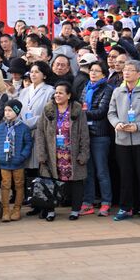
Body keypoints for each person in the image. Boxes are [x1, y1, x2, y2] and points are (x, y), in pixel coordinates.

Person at [109, 60, 140, 221]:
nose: (126, 72)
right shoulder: (118, 91)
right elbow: (111, 113)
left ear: (139, 73)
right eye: (125, 70)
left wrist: (138, 127)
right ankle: (125, 207)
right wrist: (117, 124)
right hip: (122, 140)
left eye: (130, 70)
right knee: (125, 175)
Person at [36, 82, 90, 221]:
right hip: (53, 154)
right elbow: (40, 133)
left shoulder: (77, 110)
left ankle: (75, 210)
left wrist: (83, 154)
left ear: (69, 95)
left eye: (60, 93)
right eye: (56, 93)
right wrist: (41, 154)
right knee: (50, 181)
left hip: (72, 153)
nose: (57, 95)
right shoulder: (48, 110)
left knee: (76, 182)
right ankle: (50, 210)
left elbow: (84, 134)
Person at [79, 61, 114, 216]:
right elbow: (80, 106)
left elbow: (101, 112)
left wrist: (83, 113)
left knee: (102, 171)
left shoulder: (107, 89)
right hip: (85, 134)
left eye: (97, 71)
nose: (92, 73)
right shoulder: (86, 87)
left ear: (104, 74)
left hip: (100, 134)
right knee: (88, 171)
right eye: (91, 70)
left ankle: (106, 202)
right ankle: (88, 202)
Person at [0, 99, 33, 222]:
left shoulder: (24, 128)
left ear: (17, 111)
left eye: (10, 110)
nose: (7, 113)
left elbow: (28, 144)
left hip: (18, 162)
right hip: (4, 162)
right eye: (5, 110)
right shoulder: (0, 127)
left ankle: (17, 209)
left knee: (19, 185)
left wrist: (22, 156)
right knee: (5, 185)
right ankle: (5, 210)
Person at [19, 62, 55, 180]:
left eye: (37, 72)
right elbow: (17, 109)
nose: (33, 74)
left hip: (39, 131)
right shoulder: (24, 91)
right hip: (23, 131)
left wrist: (31, 122)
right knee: (23, 165)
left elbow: (49, 114)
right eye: (32, 72)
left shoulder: (50, 91)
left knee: (37, 164)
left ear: (44, 75)